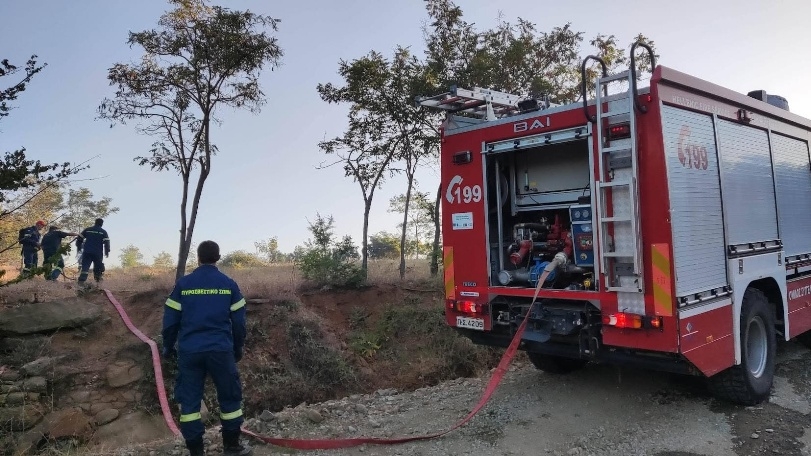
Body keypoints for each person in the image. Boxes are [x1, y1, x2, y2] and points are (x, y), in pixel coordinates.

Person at [162, 240, 250, 456]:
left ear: (198, 258)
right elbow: (239, 323)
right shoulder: (228, 284)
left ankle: (196, 451)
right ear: (218, 258)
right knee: (230, 397)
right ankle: (231, 447)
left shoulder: (183, 285)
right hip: (221, 351)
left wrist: (168, 347)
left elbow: (170, 321)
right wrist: (237, 348)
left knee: (190, 403)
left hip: (190, 352)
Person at [75, 218, 110, 286]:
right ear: (101, 224)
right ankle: (98, 281)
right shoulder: (103, 232)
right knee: (98, 267)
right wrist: (107, 252)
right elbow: (107, 242)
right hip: (98, 253)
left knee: (85, 267)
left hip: (87, 252)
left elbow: (79, 238)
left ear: (95, 222)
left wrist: (79, 247)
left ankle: (81, 282)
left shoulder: (88, 229)